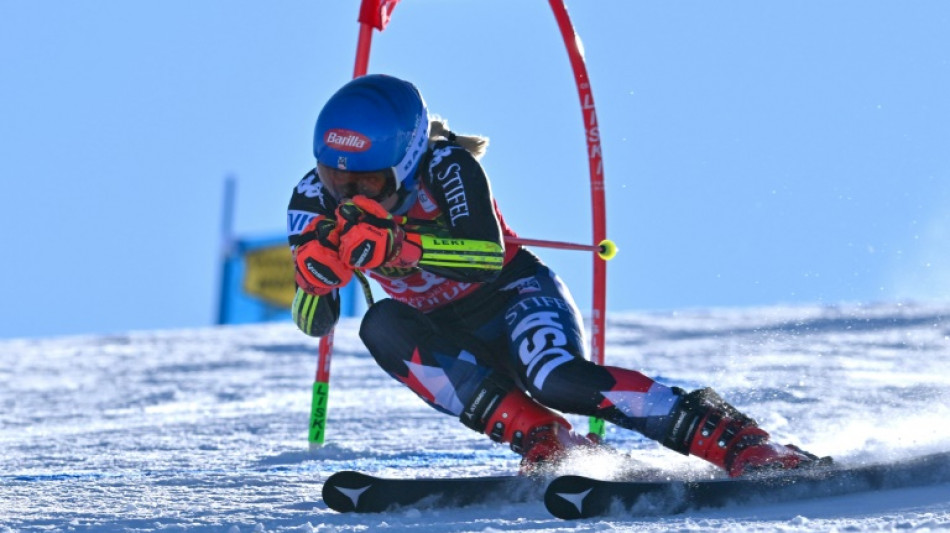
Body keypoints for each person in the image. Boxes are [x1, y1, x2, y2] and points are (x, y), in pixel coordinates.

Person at [286, 74, 824, 477]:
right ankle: (547, 441)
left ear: (405, 161)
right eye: (336, 178)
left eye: (369, 182)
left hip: (514, 296)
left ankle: (735, 440)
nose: (349, 195)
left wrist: (402, 243)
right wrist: (315, 280)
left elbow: (485, 255)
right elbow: (313, 323)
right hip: (443, 331)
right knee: (380, 324)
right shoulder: (313, 201)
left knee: (555, 378)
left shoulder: (448, 167)